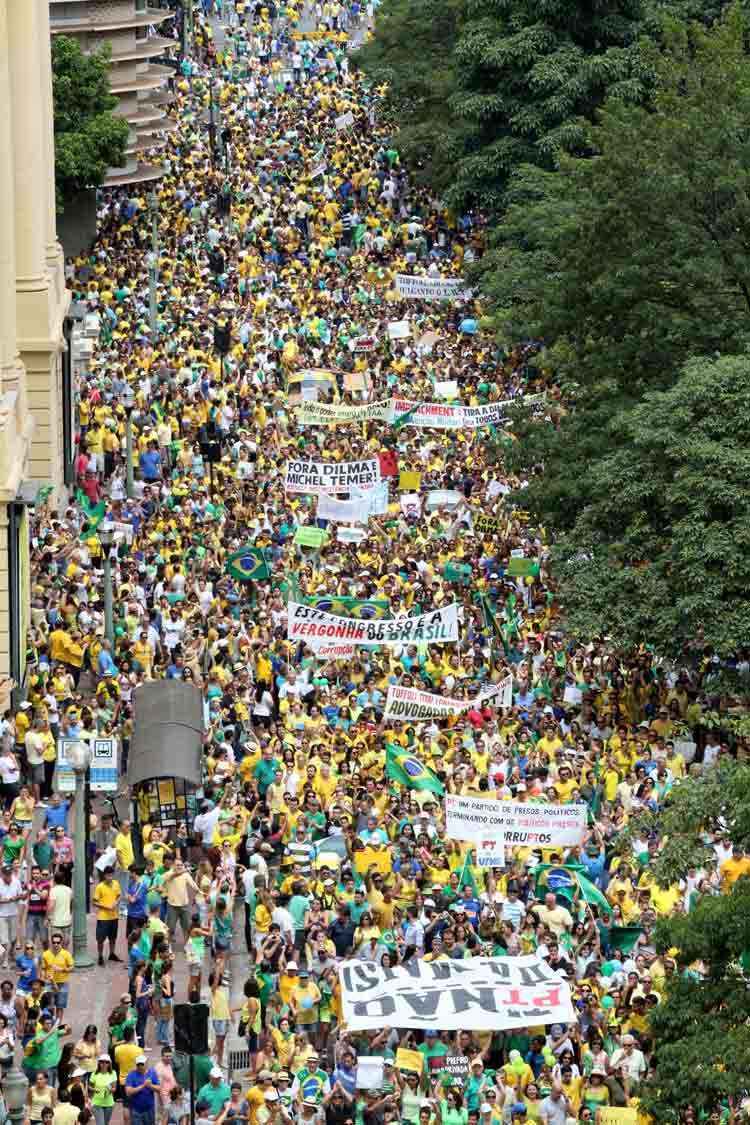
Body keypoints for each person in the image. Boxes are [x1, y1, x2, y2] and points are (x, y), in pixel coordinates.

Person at [93, 869, 121, 966]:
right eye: (108, 875)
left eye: (111, 875)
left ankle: (112, 953)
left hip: (114, 916)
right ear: (104, 875)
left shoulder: (116, 884)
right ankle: (100, 956)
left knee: (113, 937)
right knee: (100, 939)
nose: (110, 877)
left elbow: (118, 896)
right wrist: (106, 907)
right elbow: (94, 902)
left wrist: (116, 903)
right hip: (103, 917)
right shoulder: (99, 887)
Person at [125, 1054, 161, 1125]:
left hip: (149, 1109)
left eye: (142, 1064)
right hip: (136, 1110)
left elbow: (159, 1089)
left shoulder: (152, 1072)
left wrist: (150, 1086)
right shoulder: (131, 1075)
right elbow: (128, 1092)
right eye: (138, 1064)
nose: (140, 1066)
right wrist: (143, 1085)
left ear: (146, 1063)